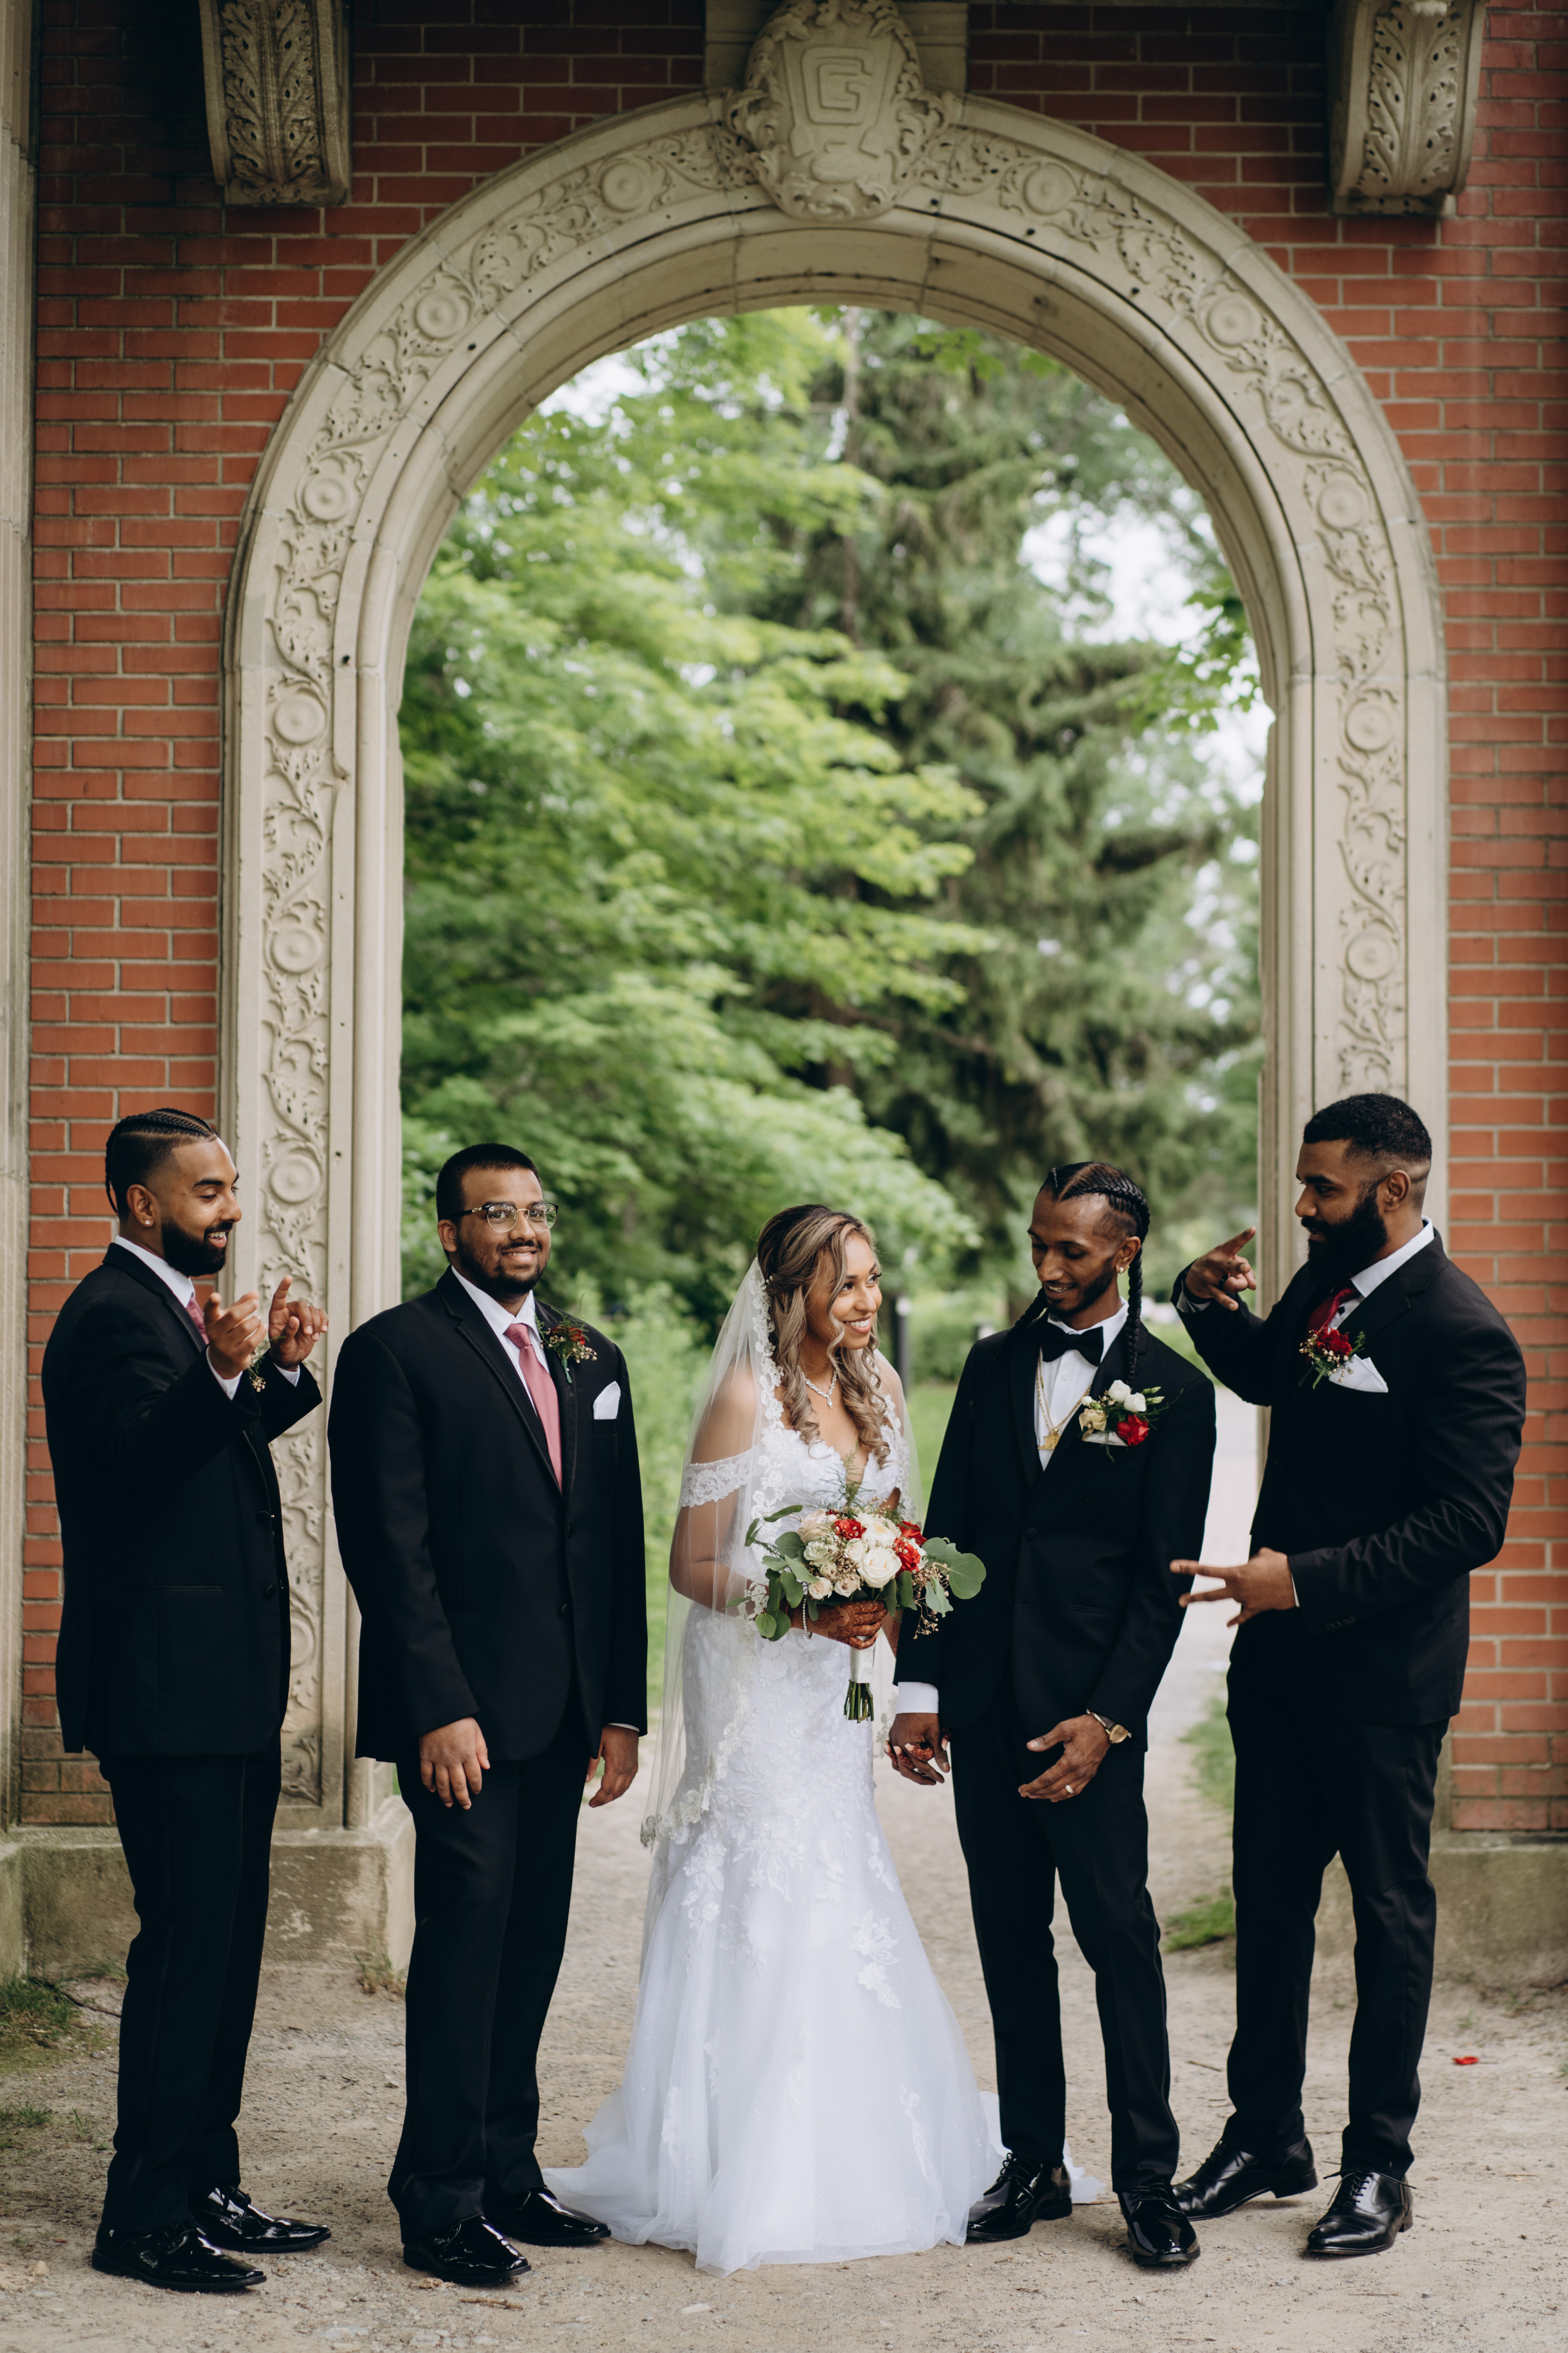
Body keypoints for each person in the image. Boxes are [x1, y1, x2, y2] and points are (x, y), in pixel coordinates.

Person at [544, 1205, 1036, 2276]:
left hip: (830, 1688)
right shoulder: (745, 1398)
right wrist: (803, 1605)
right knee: (758, 1869)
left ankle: (854, 2135)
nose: (865, 1300)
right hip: (756, 1679)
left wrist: (913, 1681)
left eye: (871, 1279)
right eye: (843, 1283)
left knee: (839, 1863)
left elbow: (902, 1549)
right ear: (791, 1291)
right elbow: (691, 1563)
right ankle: (728, 2154)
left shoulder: (880, 1387)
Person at [1168, 1093, 1526, 2258]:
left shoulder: (1465, 1330)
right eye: (1303, 1185)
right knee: (1269, 1909)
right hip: (1279, 1671)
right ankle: (1265, 2135)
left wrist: (1303, 1580)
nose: (1302, 1206)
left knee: (1386, 1919)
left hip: (1382, 1680)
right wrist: (1201, 1306)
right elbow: (1272, 1375)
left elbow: (1467, 1523)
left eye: (1322, 1187)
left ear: (1393, 1188)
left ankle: (1379, 2163)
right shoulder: (1325, 1287)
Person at [327, 1143, 646, 2289]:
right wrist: (437, 1706)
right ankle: (440, 2195)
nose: (523, 1230)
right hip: (460, 1717)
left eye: (535, 1211)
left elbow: (610, 1542)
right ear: (449, 1230)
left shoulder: (589, 1353)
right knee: (466, 1942)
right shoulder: (394, 1352)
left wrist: (620, 1709)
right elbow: (389, 1548)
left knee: (533, 1941)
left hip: (564, 1713)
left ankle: (510, 2170)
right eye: (497, 1213)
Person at [888, 1163, 1216, 2271]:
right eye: (1039, 1242)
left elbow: (1160, 1585)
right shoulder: (991, 1365)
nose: (1048, 1265)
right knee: (1008, 1937)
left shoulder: (1173, 1392)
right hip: (982, 1706)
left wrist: (1107, 1720)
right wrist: (922, 1689)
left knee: (1118, 1937)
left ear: (1124, 1250)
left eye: (1071, 1249)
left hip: (1086, 1719)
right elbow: (947, 1531)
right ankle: (1032, 2159)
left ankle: (1147, 2179)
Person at [42, 1107, 329, 2295]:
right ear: (141, 1201)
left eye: (232, 1185)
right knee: (183, 1953)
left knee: (225, 1946)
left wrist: (277, 1373)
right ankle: (144, 2218)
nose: (232, 1208)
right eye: (208, 1191)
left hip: (222, 1689)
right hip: (166, 1693)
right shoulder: (111, 1315)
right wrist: (219, 1368)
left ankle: (206, 2181)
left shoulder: (171, 1308)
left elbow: (207, 1451)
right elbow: (138, 1462)